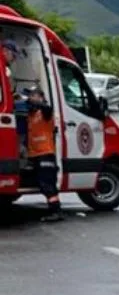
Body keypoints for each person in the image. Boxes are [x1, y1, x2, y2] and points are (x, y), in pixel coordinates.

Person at [21, 88, 62, 222]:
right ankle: (54, 210)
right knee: (41, 182)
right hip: (35, 154)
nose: (31, 98)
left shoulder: (45, 112)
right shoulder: (31, 115)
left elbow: (47, 108)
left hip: (46, 153)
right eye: (30, 96)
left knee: (47, 183)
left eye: (34, 95)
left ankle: (55, 211)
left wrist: (35, 102)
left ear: (41, 97)